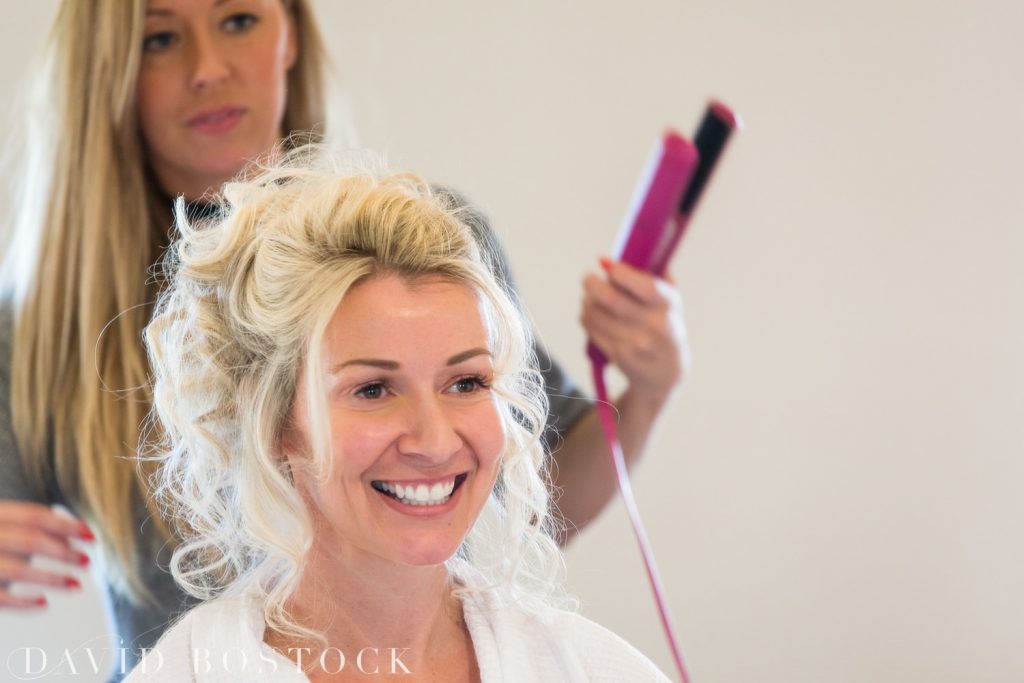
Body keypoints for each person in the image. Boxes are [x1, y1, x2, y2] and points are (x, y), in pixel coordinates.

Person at [0, 0, 686, 675]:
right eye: (159, 39)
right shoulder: (42, 322)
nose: (207, 68)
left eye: (237, 19)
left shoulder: (425, 250)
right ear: (268, 422)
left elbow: (530, 490)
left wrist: (646, 391)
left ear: (290, 34)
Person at [126, 150, 671, 682]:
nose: (434, 442)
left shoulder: (594, 669)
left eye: (466, 383)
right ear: (272, 423)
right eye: (373, 389)